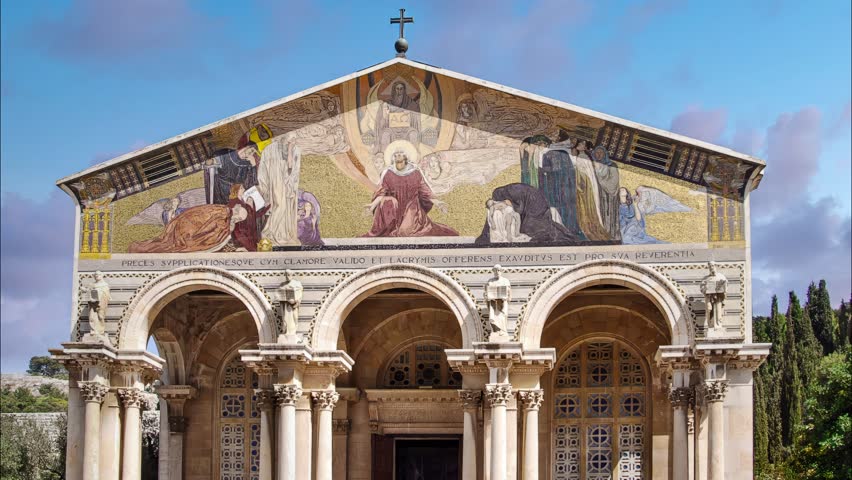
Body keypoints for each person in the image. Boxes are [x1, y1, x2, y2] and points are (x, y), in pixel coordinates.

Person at [363, 145, 458, 238]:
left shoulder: (415, 172)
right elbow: (382, 192)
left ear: (406, 157)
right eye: (396, 154)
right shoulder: (388, 173)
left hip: (411, 208)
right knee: (388, 200)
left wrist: (438, 203)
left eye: (400, 153)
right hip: (394, 209)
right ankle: (390, 227)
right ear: (393, 158)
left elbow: (425, 192)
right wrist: (372, 205)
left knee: (405, 232)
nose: (398, 156)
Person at [475, 183, 584, 244]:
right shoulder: (504, 194)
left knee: (535, 228)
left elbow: (517, 206)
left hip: (535, 208)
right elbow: (517, 206)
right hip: (534, 205)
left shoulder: (504, 195)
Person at [257, 138, 301, 246]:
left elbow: (292, 168)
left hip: (287, 185)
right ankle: (270, 232)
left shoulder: (295, 149)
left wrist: (290, 150)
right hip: (276, 183)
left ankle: (282, 234)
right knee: (280, 206)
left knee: (287, 208)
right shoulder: (270, 149)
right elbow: (263, 170)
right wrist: (264, 187)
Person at [571, 140, 610, 241]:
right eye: (579, 143)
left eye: (582, 144)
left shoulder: (582, 157)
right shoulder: (583, 156)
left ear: (585, 148)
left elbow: (583, 173)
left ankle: (585, 227)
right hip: (586, 185)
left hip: (583, 186)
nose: (579, 144)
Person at [591, 145, 621, 240]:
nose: (599, 154)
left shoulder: (612, 165)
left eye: (601, 153)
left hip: (608, 197)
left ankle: (609, 234)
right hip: (595, 195)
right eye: (597, 152)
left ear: (605, 154)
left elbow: (613, 183)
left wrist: (600, 178)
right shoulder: (591, 165)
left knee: (608, 215)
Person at [229, 184, 270, 251]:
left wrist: (265, 207)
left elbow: (255, 215)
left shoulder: (244, 202)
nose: (244, 189)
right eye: (241, 188)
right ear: (236, 191)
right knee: (252, 249)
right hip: (239, 232)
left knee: (254, 249)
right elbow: (233, 216)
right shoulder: (234, 201)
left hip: (248, 231)